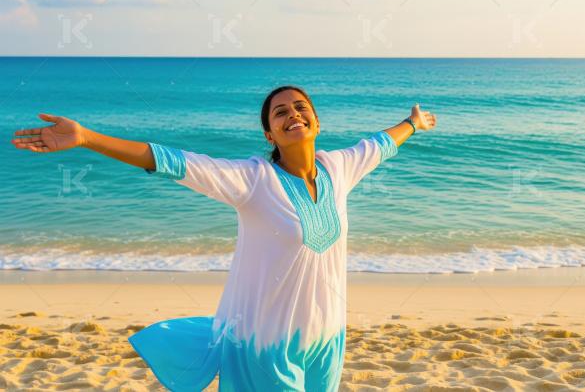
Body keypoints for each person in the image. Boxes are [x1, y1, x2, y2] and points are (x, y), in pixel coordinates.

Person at [10, 85, 437, 391]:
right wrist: (87, 138)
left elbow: (380, 143)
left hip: (327, 338)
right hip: (266, 344)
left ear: (317, 122)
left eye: (301, 108)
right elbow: (172, 161)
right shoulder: (252, 179)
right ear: (269, 134)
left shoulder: (338, 167)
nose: (293, 115)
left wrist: (413, 124)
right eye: (280, 112)